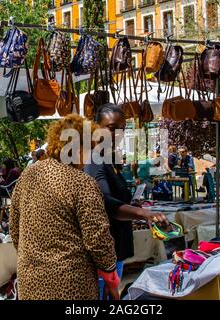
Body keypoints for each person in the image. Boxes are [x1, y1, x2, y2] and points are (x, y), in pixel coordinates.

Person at [10, 114, 119, 300]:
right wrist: (111, 277)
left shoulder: (29, 173)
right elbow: (98, 239)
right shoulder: (82, 183)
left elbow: (14, 228)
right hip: (70, 283)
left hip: (30, 278)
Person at [84, 103, 168, 298]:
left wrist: (133, 205)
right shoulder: (94, 161)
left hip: (115, 250)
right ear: (96, 128)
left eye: (122, 129)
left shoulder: (108, 160)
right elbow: (104, 202)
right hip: (104, 254)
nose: (118, 134)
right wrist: (144, 214)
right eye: (112, 128)